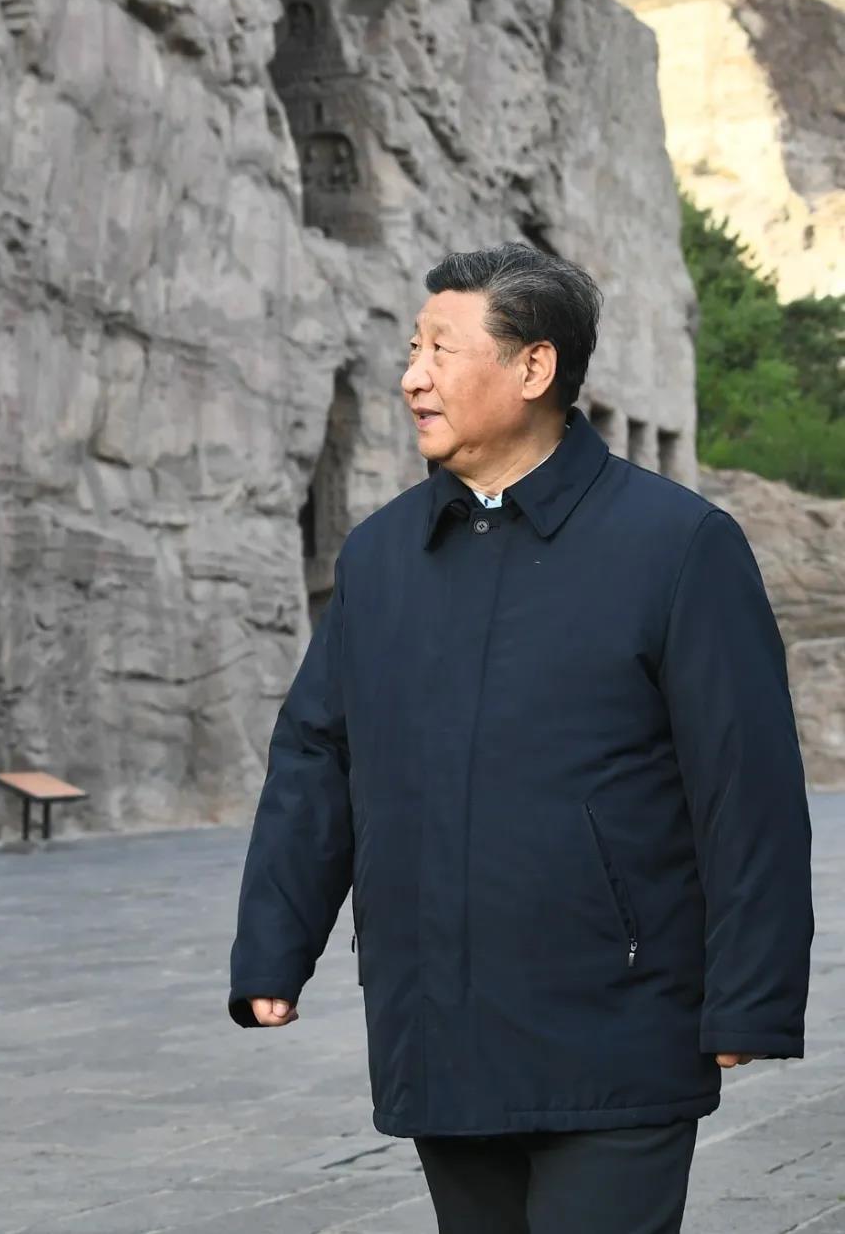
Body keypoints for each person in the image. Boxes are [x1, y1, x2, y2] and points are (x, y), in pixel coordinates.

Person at [227, 242, 813, 1233]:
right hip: (438, 1030)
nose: (413, 377)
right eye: (413, 349)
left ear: (534, 367)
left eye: (441, 349)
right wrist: (273, 949)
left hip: (618, 1028)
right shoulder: (382, 556)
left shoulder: (676, 545)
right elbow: (317, 756)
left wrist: (751, 997)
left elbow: (745, 784)